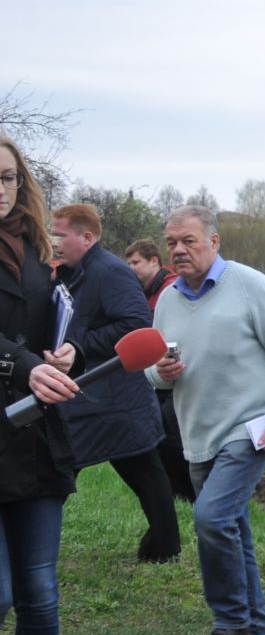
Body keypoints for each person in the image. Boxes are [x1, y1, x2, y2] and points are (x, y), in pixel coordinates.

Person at [149, 205, 265, 635]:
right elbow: (153, 374)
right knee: (233, 528)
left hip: (249, 427)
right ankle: (257, 633)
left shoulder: (249, 285)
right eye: (172, 243)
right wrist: (161, 373)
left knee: (212, 518)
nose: (179, 250)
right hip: (197, 431)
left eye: (189, 241)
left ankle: (229, 621)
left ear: (214, 242)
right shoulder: (167, 301)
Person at [0, 133, 84, 635]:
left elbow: (54, 325)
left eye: (5, 177)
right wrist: (25, 365)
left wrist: (62, 353)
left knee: (40, 594)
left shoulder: (36, 250)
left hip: (35, 440)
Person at [51, 204, 177, 563]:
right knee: (143, 473)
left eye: (60, 234)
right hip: (98, 397)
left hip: (114, 397)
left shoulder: (111, 272)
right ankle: (165, 546)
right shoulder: (72, 273)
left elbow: (137, 325)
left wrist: (78, 347)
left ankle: (165, 547)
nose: (54, 241)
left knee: (60, 468)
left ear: (87, 237)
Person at [124, 239, 195, 504]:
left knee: (174, 439)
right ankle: (178, 492)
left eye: (136, 263)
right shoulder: (146, 291)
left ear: (154, 261)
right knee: (163, 437)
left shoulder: (171, 289)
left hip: (181, 376)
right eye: (128, 263)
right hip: (159, 375)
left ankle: (189, 492)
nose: (131, 268)